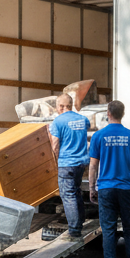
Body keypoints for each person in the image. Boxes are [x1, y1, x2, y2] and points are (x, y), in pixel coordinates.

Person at [88, 100, 130, 258]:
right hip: (126, 188)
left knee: (109, 231)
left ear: (108, 113)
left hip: (106, 189)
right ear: (123, 113)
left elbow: (93, 165)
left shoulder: (99, 136)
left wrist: (92, 187)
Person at [48, 93, 91, 240]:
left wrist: (55, 163)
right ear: (71, 105)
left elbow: (55, 145)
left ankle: (74, 229)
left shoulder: (58, 122)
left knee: (68, 195)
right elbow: (87, 128)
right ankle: (81, 220)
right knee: (77, 191)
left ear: (60, 106)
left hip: (66, 163)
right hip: (82, 163)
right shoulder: (83, 119)